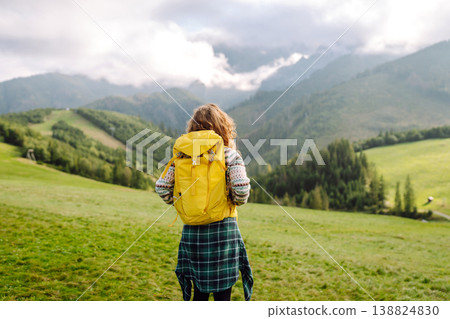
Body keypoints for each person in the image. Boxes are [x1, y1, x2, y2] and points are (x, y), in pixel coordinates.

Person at [155, 103, 253, 301]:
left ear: (193, 128)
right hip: (223, 232)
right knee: (223, 296)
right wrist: (231, 201)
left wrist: (184, 204)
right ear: (223, 128)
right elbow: (241, 189)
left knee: (198, 294)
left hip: (193, 232)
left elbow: (162, 187)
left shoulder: (181, 156)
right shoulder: (229, 155)